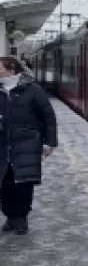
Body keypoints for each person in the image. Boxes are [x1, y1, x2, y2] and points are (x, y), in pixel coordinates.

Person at [0, 55, 57, 235]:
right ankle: (10, 216)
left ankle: (21, 218)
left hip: (27, 143)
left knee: (24, 184)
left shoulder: (33, 90)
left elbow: (48, 117)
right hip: (2, 145)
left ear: (11, 69)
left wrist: (50, 143)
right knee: (4, 184)